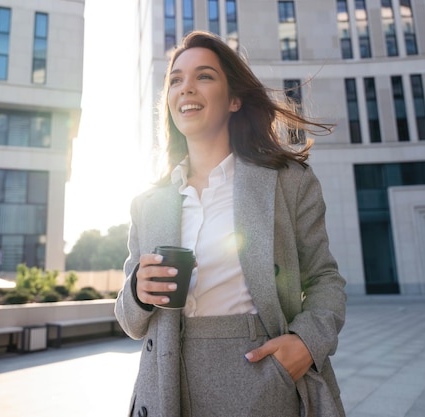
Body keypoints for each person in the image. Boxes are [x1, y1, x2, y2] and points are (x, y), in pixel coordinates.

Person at [115, 30, 346, 417]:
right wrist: (137, 290)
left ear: (235, 99)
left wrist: (305, 343)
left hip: (260, 382)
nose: (186, 88)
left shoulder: (287, 182)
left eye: (204, 76)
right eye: (176, 80)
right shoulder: (148, 204)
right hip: (166, 385)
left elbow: (325, 279)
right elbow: (131, 321)